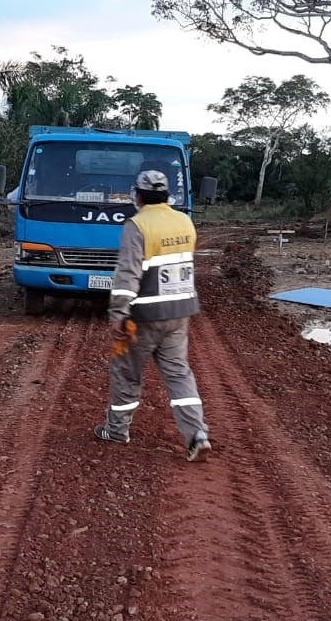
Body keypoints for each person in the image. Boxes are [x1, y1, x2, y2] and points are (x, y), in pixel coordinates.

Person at [94, 169, 212, 462]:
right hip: (179, 313)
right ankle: (197, 435)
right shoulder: (184, 221)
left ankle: (117, 430)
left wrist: (119, 313)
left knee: (126, 373)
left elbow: (128, 274)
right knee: (179, 375)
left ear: (138, 195)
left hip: (143, 316)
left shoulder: (138, 225)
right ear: (166, 194)